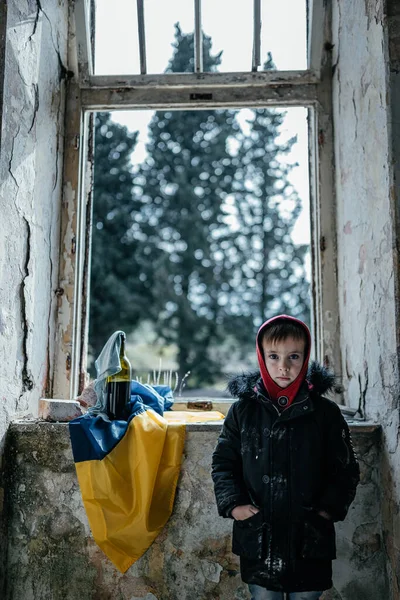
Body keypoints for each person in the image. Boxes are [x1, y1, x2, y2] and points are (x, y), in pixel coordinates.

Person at [211, 315, 360, 600]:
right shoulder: (243, 412)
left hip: (310, 535)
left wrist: (326, 511)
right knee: (264, 597)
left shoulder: (325, 413)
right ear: (261, 357)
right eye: (274, 356)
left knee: (306, 597)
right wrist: (235, 504)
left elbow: (345, 470)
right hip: (259, 535)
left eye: (293, 356)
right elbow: (223, 464)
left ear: (305, 358)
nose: (284, 366)